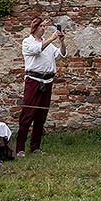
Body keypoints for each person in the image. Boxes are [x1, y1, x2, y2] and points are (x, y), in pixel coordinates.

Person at [15, 17, 65, 158]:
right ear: (35, 27)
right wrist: (51, 38)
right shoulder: (27, 42)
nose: (44, 28)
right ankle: (20, 148)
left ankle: (35, 146)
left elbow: (60, 55)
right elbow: (37, 50)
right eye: (41, 26)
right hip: (33, 81)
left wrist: (62, 41)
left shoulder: (47, 43)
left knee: (41, 115)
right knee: (28, 114)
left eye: (45, 26)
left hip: (47, 80)